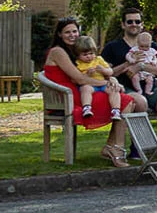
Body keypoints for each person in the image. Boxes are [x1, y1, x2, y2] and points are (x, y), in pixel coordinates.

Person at [40, 17, 144, 166]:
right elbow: (80, 79)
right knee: (126, 101)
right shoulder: (58, 51)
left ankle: (112, 147)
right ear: (59, 35)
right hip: (68, 96)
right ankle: (116, 149)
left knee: (124, 99)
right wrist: (107, 82)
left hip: (79, 91)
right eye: (67, 32)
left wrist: (112, 80)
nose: (72, 35)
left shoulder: (76, 52)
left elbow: (96, 73)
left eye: (75, 31)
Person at [103, 7, 157, 143]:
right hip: (124, 88)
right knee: (140, 101)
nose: (134, 24)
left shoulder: (153, 46)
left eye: (137, 21)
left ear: (142, 24)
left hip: (150, 87)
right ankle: (138, 147)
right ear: (123, 25)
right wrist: (126, 65)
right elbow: (105, 74)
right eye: (129, 22)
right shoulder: (112, 47)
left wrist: (141, 66)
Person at [73, 38, 118, 108]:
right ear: (78, 55)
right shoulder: (78, 63)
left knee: (114, 89)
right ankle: (86, 107)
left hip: (103, 84)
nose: (89, 56)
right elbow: (78, 78)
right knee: (85, 89)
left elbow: (111, 71)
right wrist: (87, 74)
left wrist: (104, 70)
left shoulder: (98, 59)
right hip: (89, 85)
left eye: (91, 53)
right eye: (85, 55)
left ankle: (116, 109)